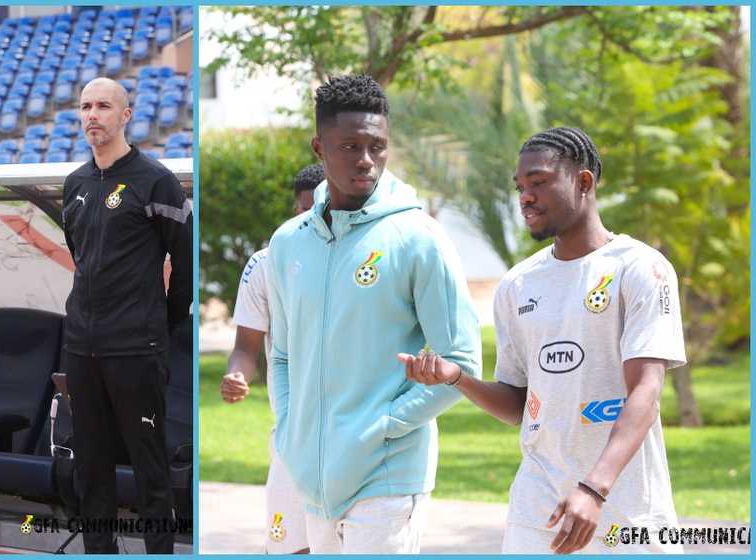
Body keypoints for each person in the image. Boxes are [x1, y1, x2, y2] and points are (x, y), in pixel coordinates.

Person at [404, 126, 685, 554]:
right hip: (537, 513)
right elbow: (518, 405)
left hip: (625, 511)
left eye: (538, 182)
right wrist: (457, 377)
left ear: (584, 182)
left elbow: (645, 389)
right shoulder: (518, 286)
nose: (525, 198)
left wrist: (593, 489)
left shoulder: (642, 268)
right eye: (520, 187)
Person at [265, 75, 481, 553]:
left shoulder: (418, 238)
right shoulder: (288, 243)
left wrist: (384, 425)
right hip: (312, 479)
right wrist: (292, 427)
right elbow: (281, 354)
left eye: (377, 147)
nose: (366, 160)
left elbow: (462, 360)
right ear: (320, 147)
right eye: (350, 146)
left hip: (387, 476)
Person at [62, 77, 192, 554]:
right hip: (82, 347)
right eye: (85, 107)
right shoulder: (74, 184)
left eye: (102, 106)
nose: (92, 114)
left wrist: (158, 320)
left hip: (137, 348)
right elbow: (81, 256)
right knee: (90, 468)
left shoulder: (155, 180)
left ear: (126, 116)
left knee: (149, 469)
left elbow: (186, 264)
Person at [219, 163, 322, 554]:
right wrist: (236, 375)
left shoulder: (360, 261)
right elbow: (246, 346)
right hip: (291, 437)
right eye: (304, 211)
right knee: (287, 547)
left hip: (352, 434)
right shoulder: (265, 264)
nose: (312, 220)